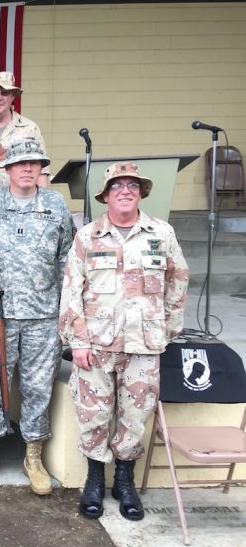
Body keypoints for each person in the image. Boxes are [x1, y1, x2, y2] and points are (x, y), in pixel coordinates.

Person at [59, 162, 189, 521]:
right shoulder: (87, 237)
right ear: (105, 195)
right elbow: (71, 291)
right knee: (93, 415)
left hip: (144, 345)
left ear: (141, 192)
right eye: (118, 186)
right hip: (96, 347)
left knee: (135, 417)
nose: (126, 190)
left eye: (133, 185)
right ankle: (95, 481)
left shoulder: (161, 233)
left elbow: (178, 282)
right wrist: (78, 341)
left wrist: (168, 329)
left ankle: (125, 482)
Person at [0, 139, 74, 496]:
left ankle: (33, 457)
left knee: (38, 388)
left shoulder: (56, 204)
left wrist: (66, 308)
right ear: (7, 169)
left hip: (43, 316)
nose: (27, 169)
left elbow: (68, 257)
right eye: (20, 164)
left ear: (41, 169)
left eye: (34, 164)